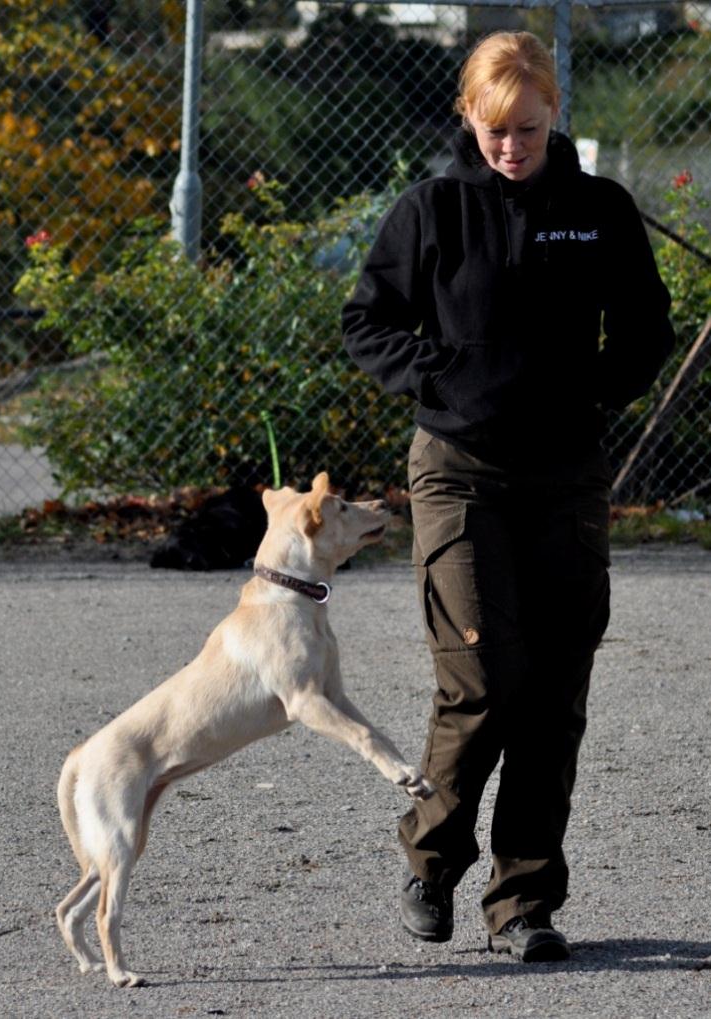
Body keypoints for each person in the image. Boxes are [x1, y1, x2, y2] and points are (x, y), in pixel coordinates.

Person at [342, 30, 675, 962]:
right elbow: (366, 320)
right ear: (470, 117)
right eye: (495, 130)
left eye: (527, 129)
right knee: (484, 678)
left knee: (554, 691)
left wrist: (604, 384)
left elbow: (647, 320)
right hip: (459, 470)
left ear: (553, 116)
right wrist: (436, 377)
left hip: (565, 475)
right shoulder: (432, 209)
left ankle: (523, 902)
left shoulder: (598, 209)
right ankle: (430, 858)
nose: (511, 147)